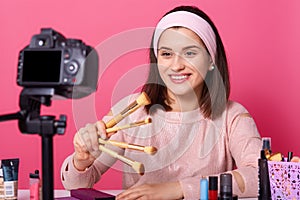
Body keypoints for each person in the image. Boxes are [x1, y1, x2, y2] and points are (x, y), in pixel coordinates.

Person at [61, 5, 262, 200]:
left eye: (190, 53)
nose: (176, 65)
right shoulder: (131, 110)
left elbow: (261, 177)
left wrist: (177, 189)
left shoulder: (232, 116)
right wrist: (81, 160)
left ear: (211, 60)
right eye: (166, 54)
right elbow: (77, 186)